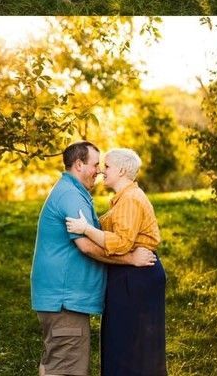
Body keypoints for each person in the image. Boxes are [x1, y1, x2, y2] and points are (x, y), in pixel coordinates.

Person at [31, 141, 156, 376]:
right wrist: (131, 259)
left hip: (64, 298)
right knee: (67, 368)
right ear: (79, 164)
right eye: (95, 164)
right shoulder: (71, 196)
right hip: (64, 300)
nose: (99, 171)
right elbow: (87, 246)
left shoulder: (74, 192)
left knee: (55, 364)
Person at [65, 147, 167, 376]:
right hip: (131, 272)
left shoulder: (130, 199)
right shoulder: (123, 198)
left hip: (137, 275)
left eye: (107, 166)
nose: (101, 170)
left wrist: (86, 230)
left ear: (121, 170)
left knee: (129, 343)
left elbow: (121, 243)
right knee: (124, 340)